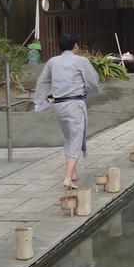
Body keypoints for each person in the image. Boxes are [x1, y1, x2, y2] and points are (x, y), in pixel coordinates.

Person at [33, 33, 100, 189]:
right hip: (74, 104)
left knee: (69, 136)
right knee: (75, 137)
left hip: (58, 105)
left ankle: (74, 172)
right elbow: (92, 80)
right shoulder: (80, 61)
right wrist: (90, 91)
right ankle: (68, 178)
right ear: (75, 46)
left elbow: (42, 81)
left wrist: (38, 101)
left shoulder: (52, 62)